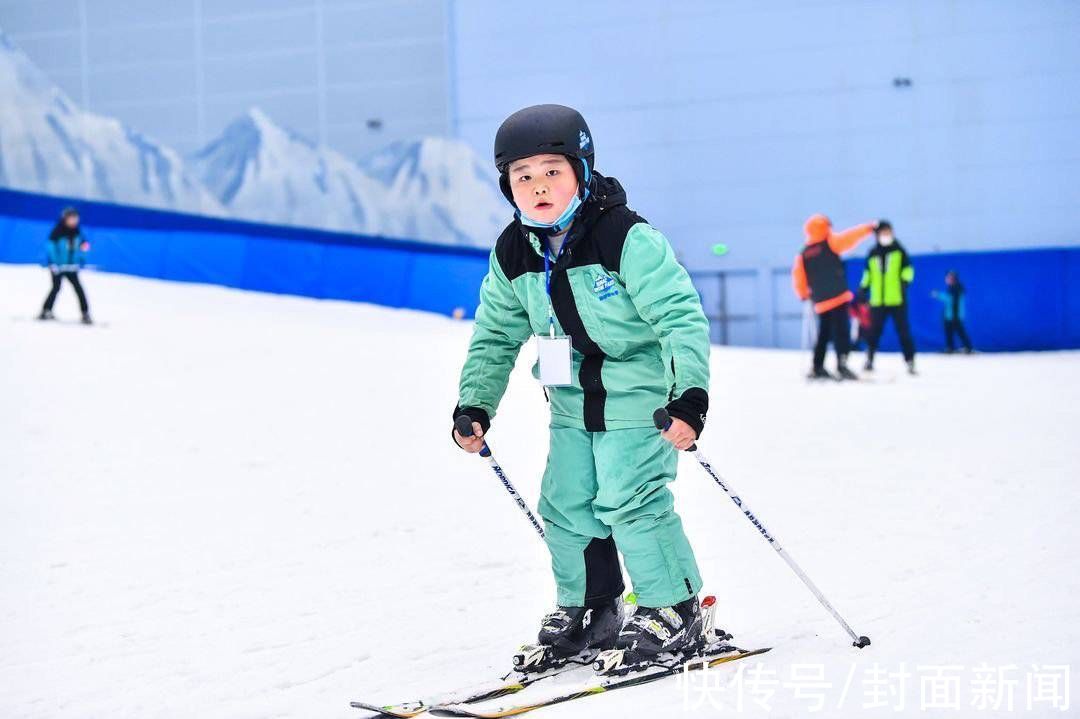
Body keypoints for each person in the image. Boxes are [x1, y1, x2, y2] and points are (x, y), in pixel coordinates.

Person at [452, 104, 711, 667]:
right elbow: (496, 332)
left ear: (581, 171)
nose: (537, 186)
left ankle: (676, 607)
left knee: (629, 497)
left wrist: (689, 395)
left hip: (641, 397)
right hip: (570, 400)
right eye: (522, 176)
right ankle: (593, 608)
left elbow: (677, 315)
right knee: (566, 504)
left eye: (551, 171)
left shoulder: (624, 237)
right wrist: (475, 400)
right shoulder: (514, 251)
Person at [791, 215, 879, 380]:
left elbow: (798, 276)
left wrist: (803, 294)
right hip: (838, 296)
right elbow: (850, 237)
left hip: (821, 301)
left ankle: (817, 366)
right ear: (825, 227)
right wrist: (868, 228)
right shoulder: (830, 242)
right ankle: (842, 364)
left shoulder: (803, 254)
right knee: (841, 332)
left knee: (823, 334)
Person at [860, 221, 916, 374]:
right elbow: (868, 273)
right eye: (883, 232)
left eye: (888, 232)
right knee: (873, 332)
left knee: (903, 331)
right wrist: (863, 287)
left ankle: (910, 361)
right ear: (877, 235)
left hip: (897, 299)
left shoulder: (899, 250)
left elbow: (908, 269)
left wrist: (905, 281)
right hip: (878, 300)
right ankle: (869, 359)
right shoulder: (872, 252)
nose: (886, 235)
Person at [38, 207, 92, 324]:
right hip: (57, 267)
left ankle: (85, 314)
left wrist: (81, 258)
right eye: (71, 218)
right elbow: (50, 248)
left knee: (79, 289)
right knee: (56, 288)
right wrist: (53, 263)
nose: (74, 221)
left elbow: (84, 246)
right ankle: (45, 311)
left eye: (75, 218)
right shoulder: (57, 231)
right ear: (65, 219)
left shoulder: (78, 232)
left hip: (71, 267)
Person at [932, 270, 973, 353]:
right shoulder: (952, 288)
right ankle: (950, 348)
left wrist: (938, 295)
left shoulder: (957, 288)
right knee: (949, 332)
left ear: (953, 279)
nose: (946, 279)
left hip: (955, 316)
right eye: (947, 277)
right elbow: (949, 299)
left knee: (960, 332)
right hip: (950, 315)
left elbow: (949, 299)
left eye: (949, 278)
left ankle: (968, 347)